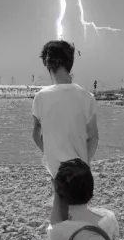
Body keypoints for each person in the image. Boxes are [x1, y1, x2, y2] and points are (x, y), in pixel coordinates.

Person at [32, 40, 99, 223]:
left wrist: (49, 154)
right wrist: (84, 161)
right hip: (80, 167)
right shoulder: (87, 97)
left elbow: (36, 134)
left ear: (48, 65)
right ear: (70, 64)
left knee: (59, 207)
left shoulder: (40, 98)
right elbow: (93, 137)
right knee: (79, 211)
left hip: (55, 168)